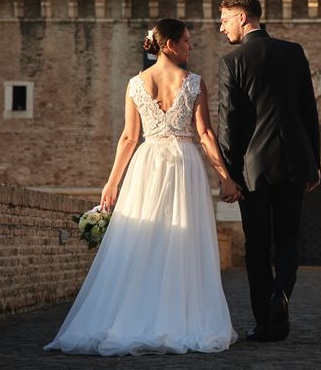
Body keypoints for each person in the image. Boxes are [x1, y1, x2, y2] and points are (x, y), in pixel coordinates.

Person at [44, 19, 240, 356]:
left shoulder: (135, 84)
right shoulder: (193, 83)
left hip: (146, 163)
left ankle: (135, 316)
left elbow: (129, 138)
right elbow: (205, 135)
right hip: (183, 163)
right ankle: (178, 318)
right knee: (183, 241)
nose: (190, 46)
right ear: (168, 45)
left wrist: (112, 183)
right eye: (186, 41)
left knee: (142, 240)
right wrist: (225, 177)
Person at [216, 0, 321, 342]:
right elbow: (309, 109)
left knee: (257, 245)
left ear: (243, 18)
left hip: (253, 169)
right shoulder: (294, 52)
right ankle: (282, 293)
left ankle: (266, 323)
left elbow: (229, 126)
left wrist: (228, 175)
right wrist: (314, 161)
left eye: (226, 19)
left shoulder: (232, 62)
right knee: (289, 237)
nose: (221, 27)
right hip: (295, 162)